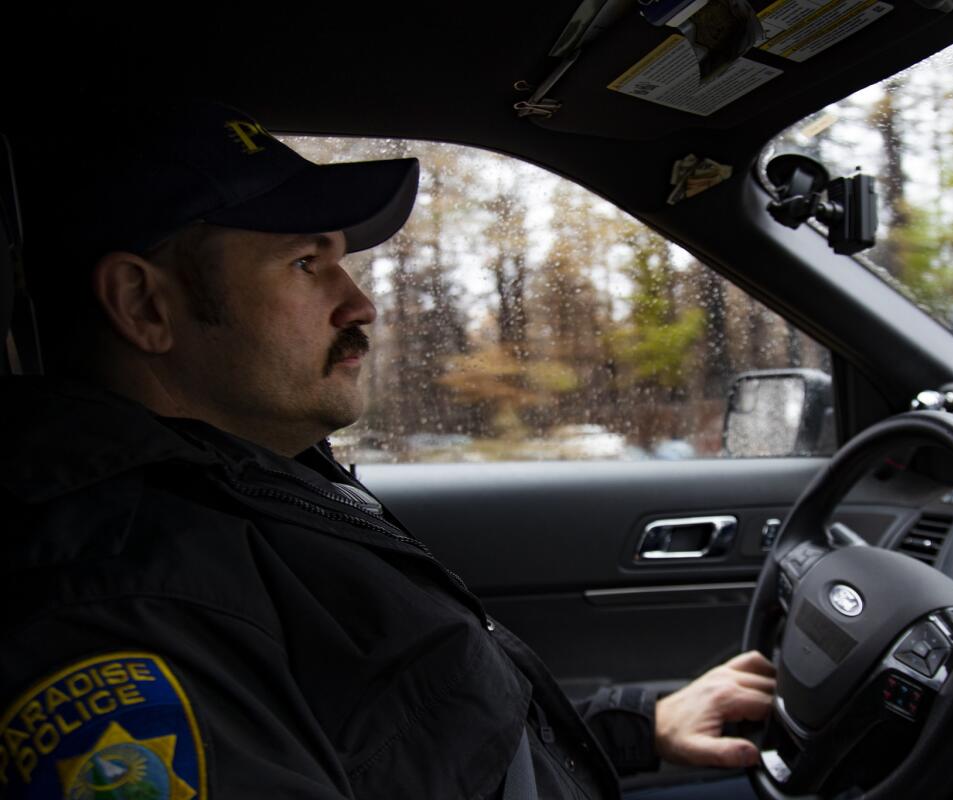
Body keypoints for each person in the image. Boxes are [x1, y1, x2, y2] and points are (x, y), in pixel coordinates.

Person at [0, 100, 775, 799]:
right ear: (144, 305)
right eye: (307, 264)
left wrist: (638, 727)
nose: (360, 301)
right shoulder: (120, 602)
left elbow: (418, 743)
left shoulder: (251, 483)